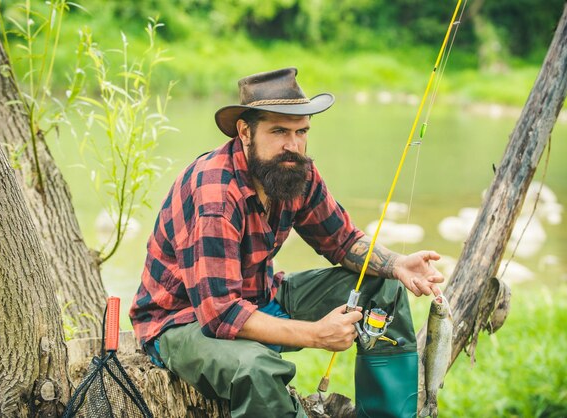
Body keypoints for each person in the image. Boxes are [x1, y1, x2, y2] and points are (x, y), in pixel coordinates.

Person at [130, 67, 444, 418]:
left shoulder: (295, 171)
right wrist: (315, 334)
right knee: (256, 368)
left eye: (301, 131)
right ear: (245, 132)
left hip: (260, 298)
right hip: (183, 323)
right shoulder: (215, 193)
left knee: (383, 288)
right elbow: (219, 314)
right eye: (279, 131)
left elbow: (341, 240)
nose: (293, 145)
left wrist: (398, 264)